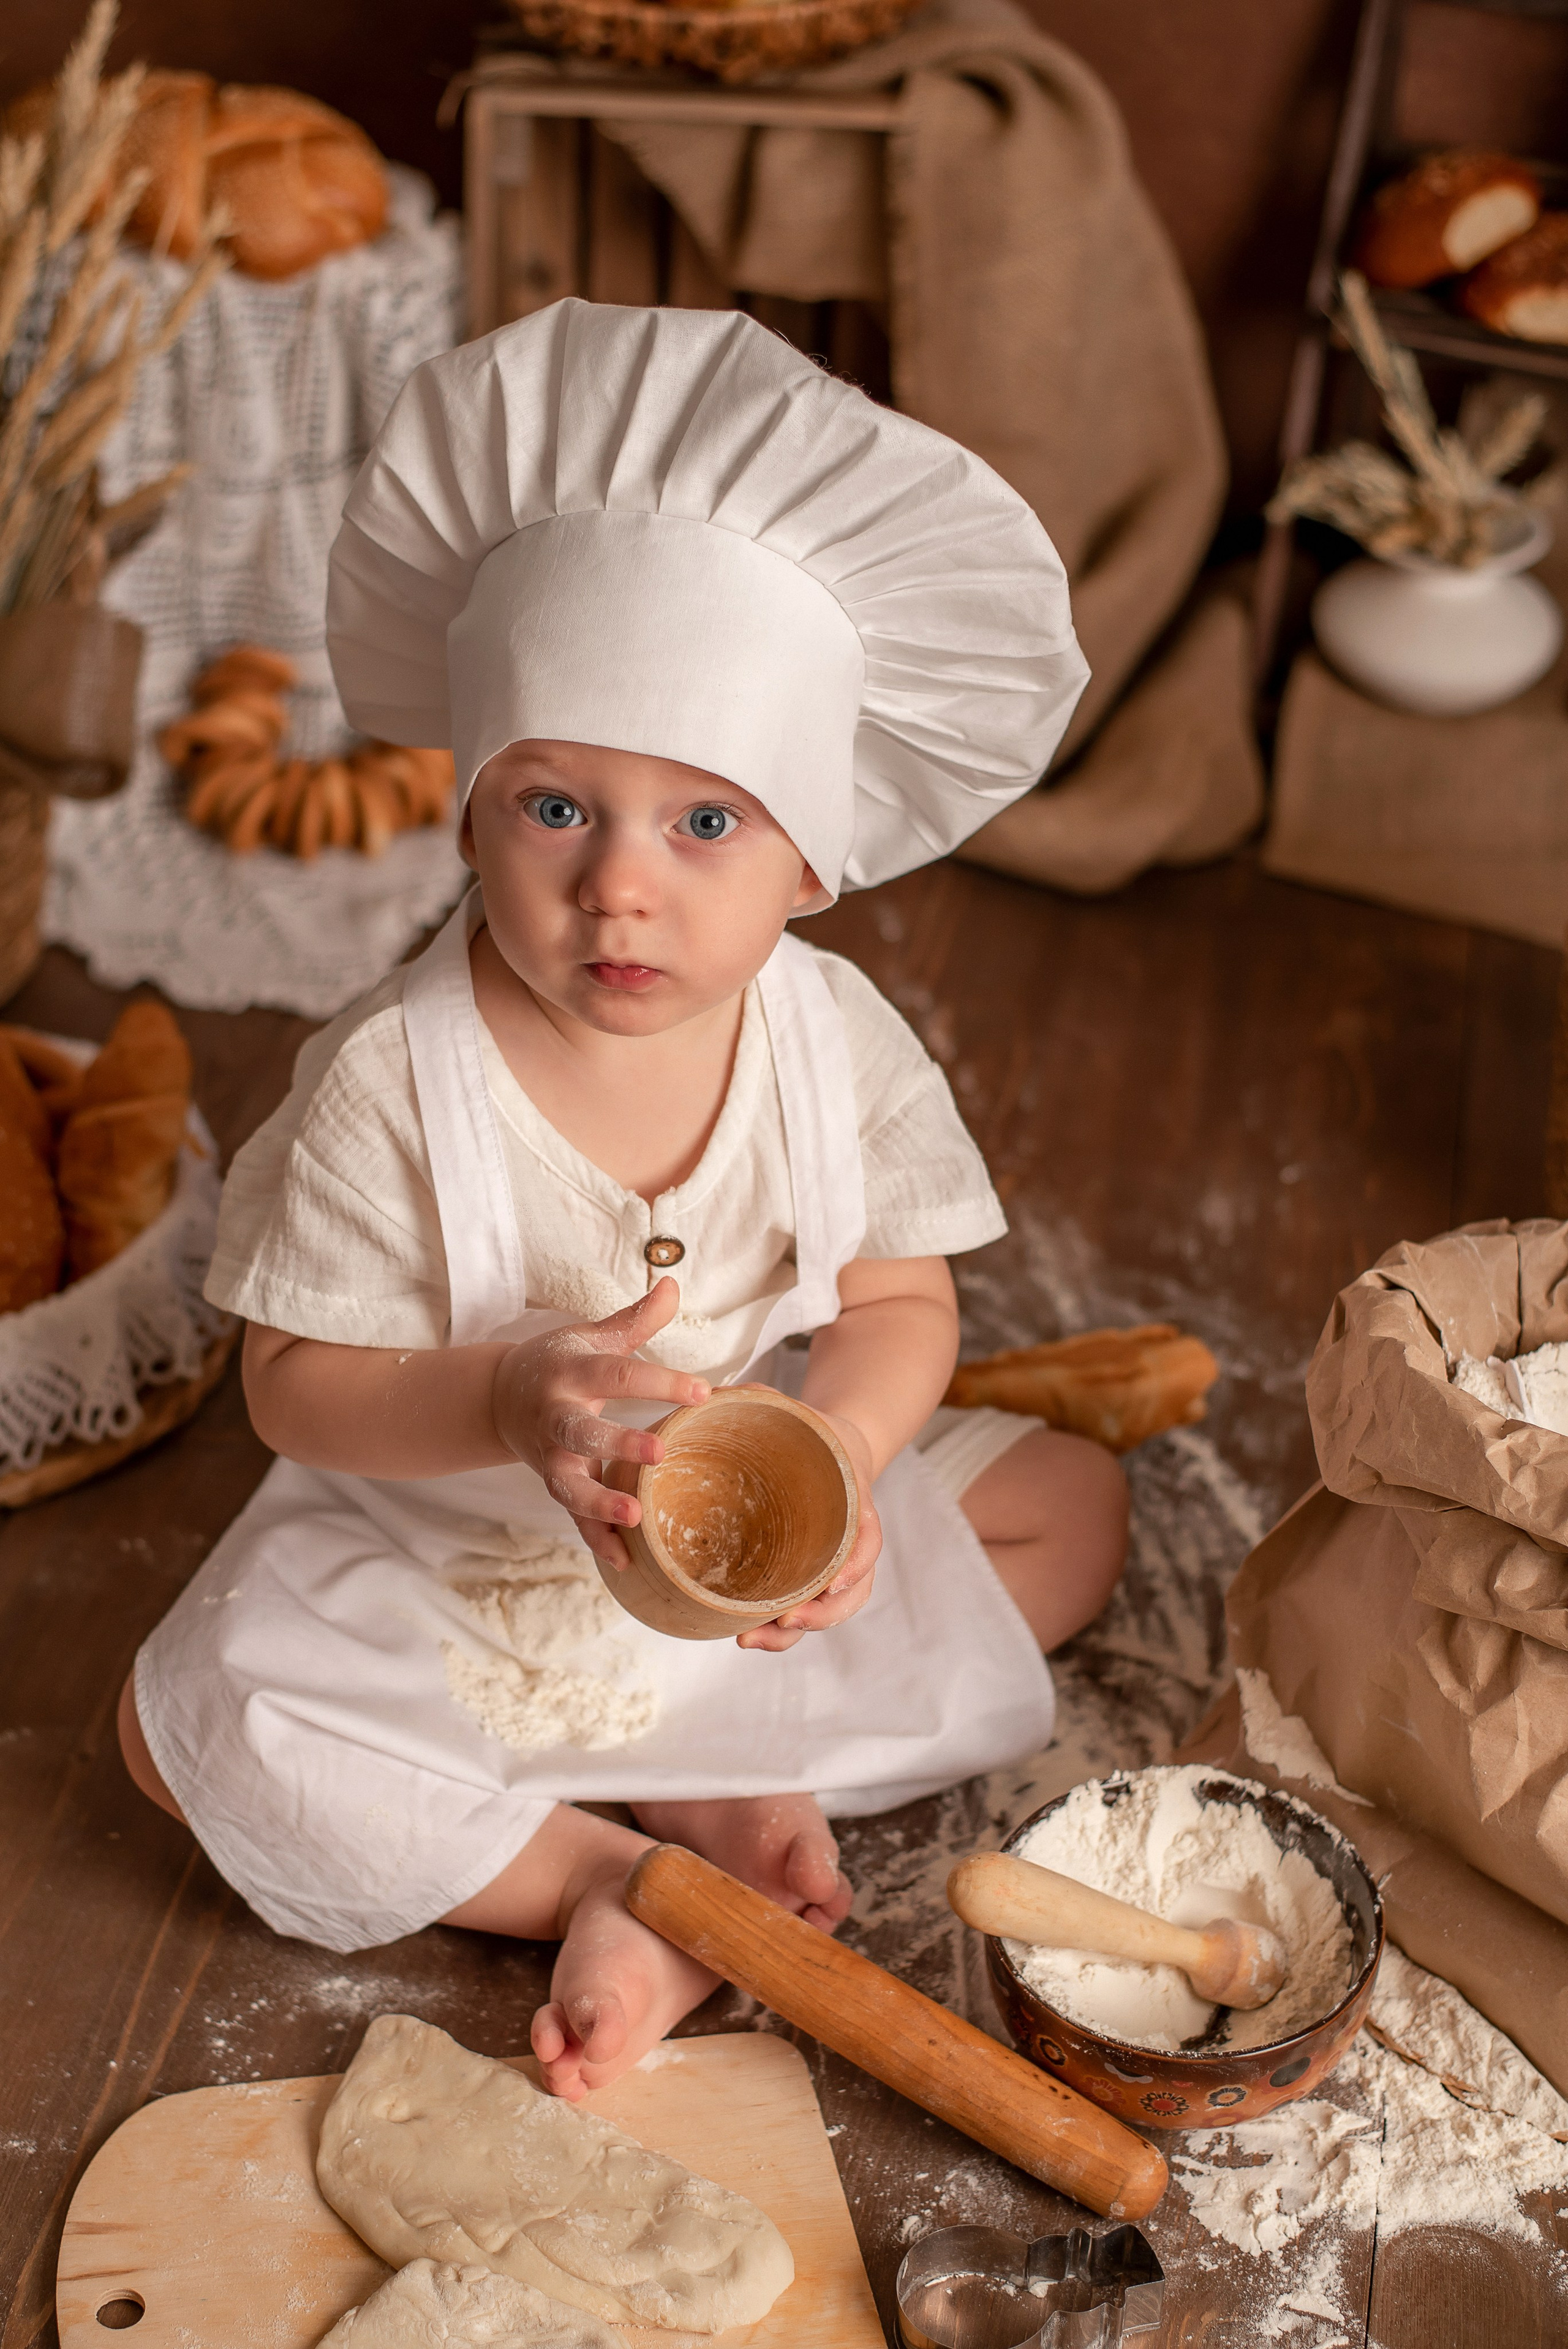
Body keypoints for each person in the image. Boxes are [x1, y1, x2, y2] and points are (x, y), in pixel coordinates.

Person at [119, 299, 1129, 2100]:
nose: (622, 894)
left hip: (730, 1559)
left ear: (819, 853)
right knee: (179, 1730)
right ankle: (626, 1876)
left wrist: (847, 1467)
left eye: (707, 825)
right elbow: (289, 1384)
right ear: (465, 813)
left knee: (1074, 1505)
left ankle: (713, 1766)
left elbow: (900, 1314)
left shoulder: (835, 1045)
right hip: (453, 1567)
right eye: (558, 808)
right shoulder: (391, 1079)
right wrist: (507, 1398)